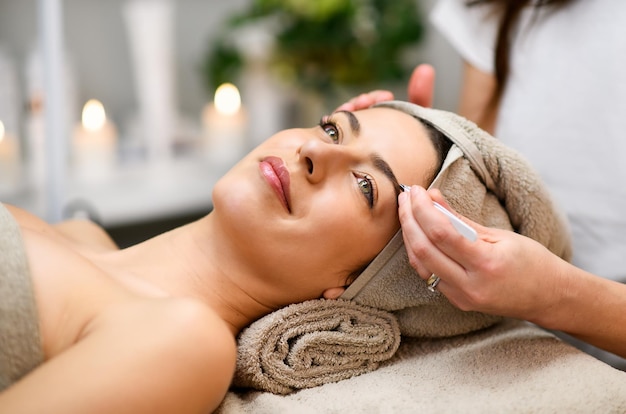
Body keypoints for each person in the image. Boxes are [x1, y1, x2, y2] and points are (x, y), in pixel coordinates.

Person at [0, 105, 450, 413]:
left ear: (354, 285)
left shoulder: (186, 341)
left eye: (364, 185)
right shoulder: (83, 234)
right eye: (333, 129)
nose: (314, 151)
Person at [339, 0, 626, 366]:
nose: (312, 153)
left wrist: (555, 295)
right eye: (331, 130)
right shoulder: (496, 9)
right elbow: (479, 163)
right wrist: (430, 156)